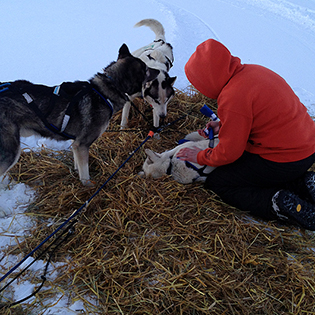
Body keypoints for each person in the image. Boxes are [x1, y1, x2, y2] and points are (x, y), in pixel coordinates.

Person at [177, 38, 315, 230]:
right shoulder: (252, 71)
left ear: (208, 79)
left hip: (284, 159)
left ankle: (276, 203)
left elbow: (229, 153)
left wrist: (201, 156)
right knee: (252, 170)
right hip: (307, 146)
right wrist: (223, 125)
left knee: (220, 183)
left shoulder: (233, 96)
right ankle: (304, 184)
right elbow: (257, 117)